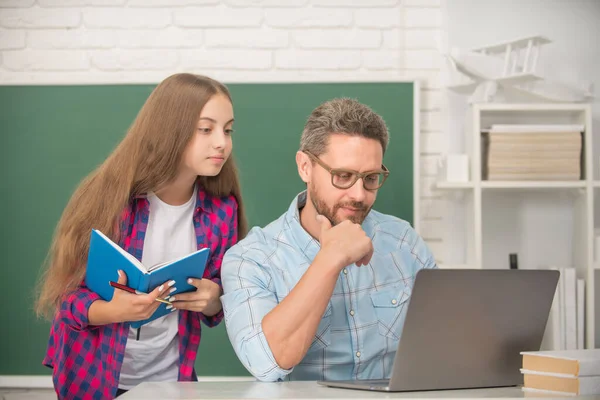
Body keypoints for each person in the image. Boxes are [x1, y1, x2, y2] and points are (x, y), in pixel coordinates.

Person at [35, 73, 247, 399]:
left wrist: (213, 299)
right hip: (94, 377)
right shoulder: (110, 199)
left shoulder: (223, 210)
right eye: (206, 129)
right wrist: (114, 311)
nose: (222, 142)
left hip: (171, 380)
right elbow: (66, 302)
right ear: (169, 130)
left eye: (228, 129)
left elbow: (222, 301)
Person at [221, 97, 436, 382]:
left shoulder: (404, 243)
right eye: (343, 176)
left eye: (371, 178)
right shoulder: (251, 259)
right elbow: (266, 363)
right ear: (305, 167)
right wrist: (331, 258)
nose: (359, 194)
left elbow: (443, 343)